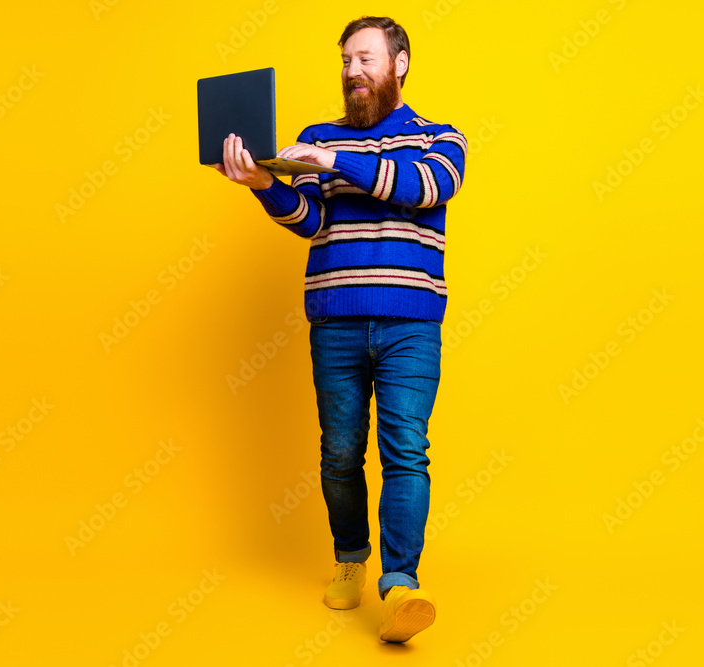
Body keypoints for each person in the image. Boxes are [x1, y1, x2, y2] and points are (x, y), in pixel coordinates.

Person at [212, 15, 466, 643]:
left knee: (405, 449)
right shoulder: (313, 136)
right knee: (340, 450)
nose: (354, 71)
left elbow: (421, 187)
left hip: (410, 323)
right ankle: (351, 560)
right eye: (347, 60)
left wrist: (330, 159)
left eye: (367, 59)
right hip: (335, 321)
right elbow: (311, 222)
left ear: (399, 64)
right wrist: (264, 184)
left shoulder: (439, 138)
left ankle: (401, 585)